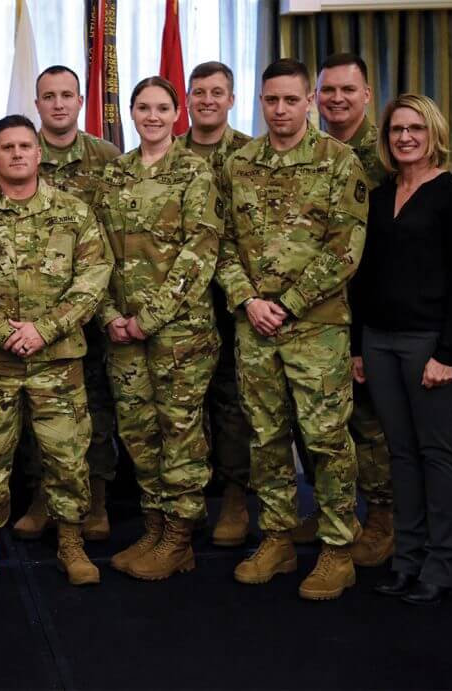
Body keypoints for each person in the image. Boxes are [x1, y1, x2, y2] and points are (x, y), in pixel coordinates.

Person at [0, 115, 112, 592]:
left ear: (39, 154)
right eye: (6, 147)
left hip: (56, 358)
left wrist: (45, 329)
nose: (16, 154)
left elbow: (94, 277)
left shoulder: (75, 213)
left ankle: (71, 543)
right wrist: (1, 330)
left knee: (67, 453)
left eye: (24, 146)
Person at [216, 59, 368, 601]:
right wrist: (249, 300)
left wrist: (290, 302)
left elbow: (345, 247)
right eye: (270, 100)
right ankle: (277, 538)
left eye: (290, 100)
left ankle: (336, 551)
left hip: (317, 328)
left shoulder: (338, 161)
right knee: (266, 438)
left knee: (326, 441)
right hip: (256, 327)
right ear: (260, 102)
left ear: (309, 102)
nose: (279, 110)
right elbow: (223, 242)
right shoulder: (239, 163)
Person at [355, 94, 452, 605]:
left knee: (436, 454)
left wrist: (448, 354)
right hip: (379, 343)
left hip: (431, 344)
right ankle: (406, 560)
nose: (404, 137)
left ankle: (442, 564)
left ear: (433, 133)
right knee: (400, 456)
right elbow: (366, 278)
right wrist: (358, 347)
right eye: (395, 130)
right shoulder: (383, 195)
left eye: (415, 128)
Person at [97, 77, 221, 580]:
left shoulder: (195, 171)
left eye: (162, 108)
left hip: (179, 333)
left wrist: (147, 320)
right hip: (121, 332)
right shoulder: (115, 173)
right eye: (143, 107)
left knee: (180, 432)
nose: (152, 116)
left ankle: (179, 537)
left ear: (177, 114)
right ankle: (153, 526)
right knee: (139, 432)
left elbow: (200, 254)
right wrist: (108, 316)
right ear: (130, 112)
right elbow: (95, 250)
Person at [287, 53, 393, 569]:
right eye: (327, 91)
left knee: (368, 426)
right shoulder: (311, 153)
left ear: (367, 95)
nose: (336, 99)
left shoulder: (386, 155)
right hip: (316, 314)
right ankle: (339, 515)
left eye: (347, 91)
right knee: (320, 426)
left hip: (367, 308)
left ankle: (381, 519)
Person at [11, 64, 121, 542]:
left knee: (95, 405)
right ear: (37, 105)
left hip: (96, 304)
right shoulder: (21, 151)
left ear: (80, 101)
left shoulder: (107, 156)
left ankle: (94, 495)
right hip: (39, 312)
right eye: (48, 95)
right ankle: (42, 495)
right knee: (42, 411)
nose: (58, 103)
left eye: (67, 95)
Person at [181, 61, 254, 548]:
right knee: (185, 404)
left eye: (217, 92)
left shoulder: (252, 153)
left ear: (231, 98)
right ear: (187, 98)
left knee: (232, 401)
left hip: (234, 300)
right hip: (181, 303)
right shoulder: (166, 152)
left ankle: (234, 495)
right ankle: (183, 504)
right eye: (199, 92)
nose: (207, 100)